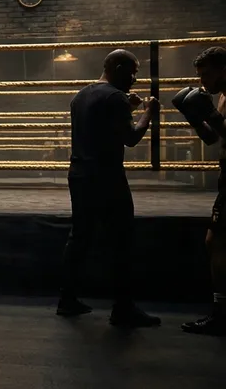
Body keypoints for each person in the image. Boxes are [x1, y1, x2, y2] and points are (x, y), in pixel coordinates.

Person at [57, 49, 161, 327]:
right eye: (132, 72)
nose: (135, 79)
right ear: (117, 68)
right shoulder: (115, 97)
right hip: (107, 177)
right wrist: (148, 113)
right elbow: (131, 137)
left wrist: (128, 108)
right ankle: (123, 308)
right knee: (121, 240)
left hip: (79, 174)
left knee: (79, 237)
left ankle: (66, 299)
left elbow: (100, 127)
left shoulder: (80, 96)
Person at [172, 46, 226, 336]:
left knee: (217, 243)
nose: (202, 81)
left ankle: (221, 314)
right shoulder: (222, 97)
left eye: (206, 74)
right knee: (215, 243)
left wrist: (210, 115)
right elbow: (212, 138)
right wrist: (194, 117)